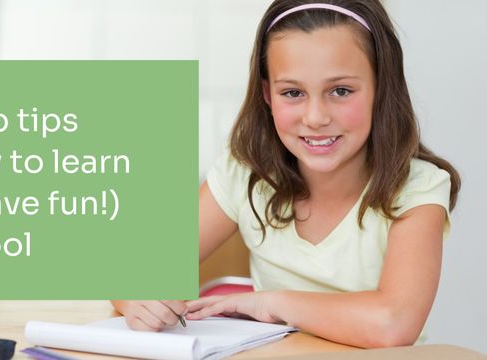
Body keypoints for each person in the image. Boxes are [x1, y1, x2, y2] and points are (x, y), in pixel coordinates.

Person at [113, 0, 460, 348]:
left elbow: (393, 323)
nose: (315, 117)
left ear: (381, 87)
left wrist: (271, 303)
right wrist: (135, 300)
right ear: (267, 93)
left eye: (340, 91)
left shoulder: (417, 188)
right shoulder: (247, 175)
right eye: (292, 93)